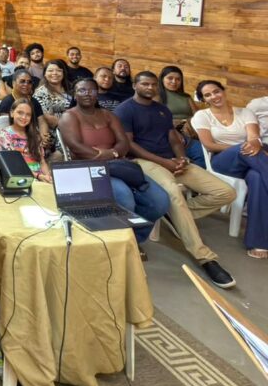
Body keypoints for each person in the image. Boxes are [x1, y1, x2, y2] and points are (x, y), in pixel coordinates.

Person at [115, 72, 237, 288]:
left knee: (226, 192)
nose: (150, 87)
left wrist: (181, 157)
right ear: (135, 85)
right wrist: (165, 162)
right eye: (145, 84)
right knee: (174, 193)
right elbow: (129, 145)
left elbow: (173, 136)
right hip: (143, 161)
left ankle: (174, 215)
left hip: (172, 160)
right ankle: (205, 257)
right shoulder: (125, 110)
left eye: (153, 84)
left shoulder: (161, 109)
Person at [60, 78, 170, 250]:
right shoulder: (69, 116)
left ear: (97, 94)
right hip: (89, 169)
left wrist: (111, 154)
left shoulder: (108, 115)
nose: (87, 94)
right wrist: (106, 156)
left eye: (92, 90)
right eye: (82, 90)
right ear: (75, 94)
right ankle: (119, 244)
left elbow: (124, 143)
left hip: (119, 166)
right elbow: (76, 147)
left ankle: (134, 239)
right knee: (125, 198)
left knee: (160, 201)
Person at [191, 80, 268, 259]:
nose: (214, 96)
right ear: (204, 99)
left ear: (223, 91)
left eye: (216, 91)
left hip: (251, 160)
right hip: (222, 161)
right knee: (244, 149)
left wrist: (253, 144)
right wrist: (241, 147)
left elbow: (253, 137)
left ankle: (259, 242)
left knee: (257, 177)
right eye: (208, 95)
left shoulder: (245, 112)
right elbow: (209, 145)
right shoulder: (202, 115)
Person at [158, 65, 205, 167]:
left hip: (190, 130)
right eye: (170, 78)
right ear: (162, 79)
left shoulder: (186, 97)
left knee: (204, 156)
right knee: (200, 154)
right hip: (170, 133)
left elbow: (198, 115)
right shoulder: (157, 96)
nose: (174, 82)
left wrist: (187, 122)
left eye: (178, 79)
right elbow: (156, 118)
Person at [0, 99, 52, 181]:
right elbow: (13, 164)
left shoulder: (35, 134)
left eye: (28, 115)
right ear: (12, 113)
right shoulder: (5, 134)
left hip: (40, 176)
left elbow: (42, 162)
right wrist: (38, 176)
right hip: (20, 177)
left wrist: (48, 177)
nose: (24, 117)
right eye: (20, 113)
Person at [33, 60, 72, 156]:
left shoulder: (71, 88)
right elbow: (49, 119)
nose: (54, 73)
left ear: (63, 73)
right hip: (55, 131)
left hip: (73, 126)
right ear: (45, 74)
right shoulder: (41, 93)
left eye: (58, 70)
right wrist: (73, 125)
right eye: (50, 70)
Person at [0, 69, 49, 140]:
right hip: (14, 140)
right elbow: (5, 128)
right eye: (22, 81)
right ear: (13, 83)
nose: (26, 84)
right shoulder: (7, 102)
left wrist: (44, 137)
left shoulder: (33, 101)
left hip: (35, 138)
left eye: (29, 82)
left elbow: (42, 121)